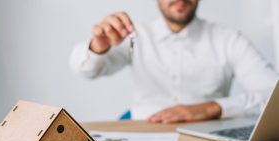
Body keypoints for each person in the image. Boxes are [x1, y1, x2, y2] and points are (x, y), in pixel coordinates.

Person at [70, 0, 278, 124]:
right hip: (141, 128)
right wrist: (99, 46)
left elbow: (273, 95)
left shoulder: (229, 39)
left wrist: (213, 108)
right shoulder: (134, 35)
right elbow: (87, 70)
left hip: (206, 137)